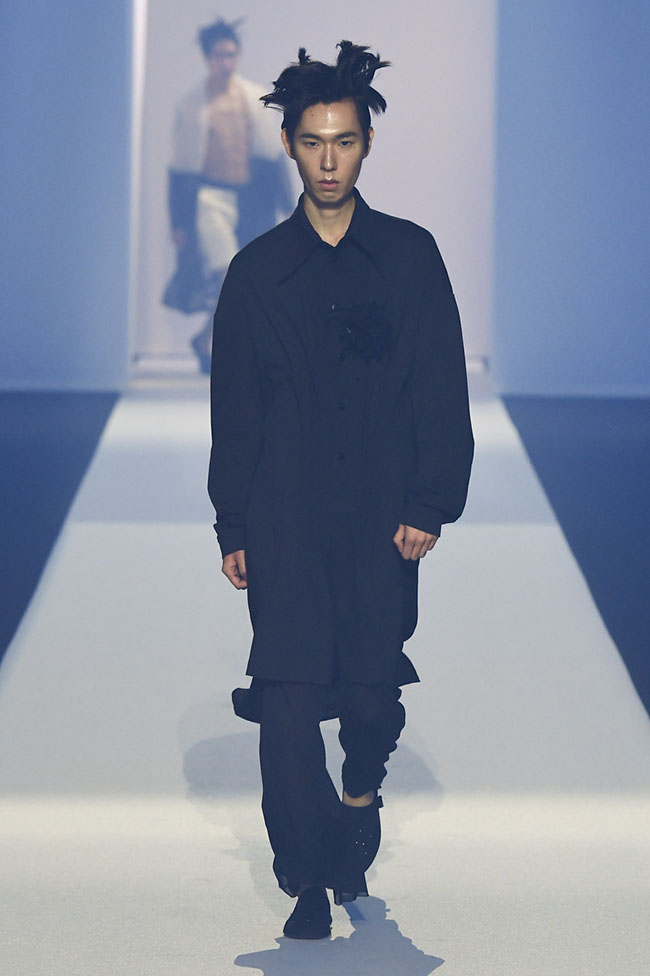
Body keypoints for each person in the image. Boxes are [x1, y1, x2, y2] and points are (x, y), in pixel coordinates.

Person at [208, 41, 474, 939]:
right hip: (282, 514)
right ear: (289, 144)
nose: (329, 161)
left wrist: (429, 503)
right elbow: (235, 410)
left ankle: (360, 794)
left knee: (367, 699)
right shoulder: (256, 273)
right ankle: (308, 880)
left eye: (345, 142)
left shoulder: (408, 257)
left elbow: (441, 387)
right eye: (314, 142)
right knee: (286, 704)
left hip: (379, 520)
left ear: (366, 145)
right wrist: (233, 521)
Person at [163, 17, 291, 373]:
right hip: (210, 199)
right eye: (220, 55)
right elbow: (179, 167)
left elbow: (272, 156)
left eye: (231, 54)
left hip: (250, 200)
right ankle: (238, 351)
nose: (226, 61)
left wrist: (289, 205)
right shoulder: (192, 106)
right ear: (208, 57)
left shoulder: (253, 99)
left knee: (252, 278)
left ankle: (206, 339)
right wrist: (178, 222)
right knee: (230, 274)